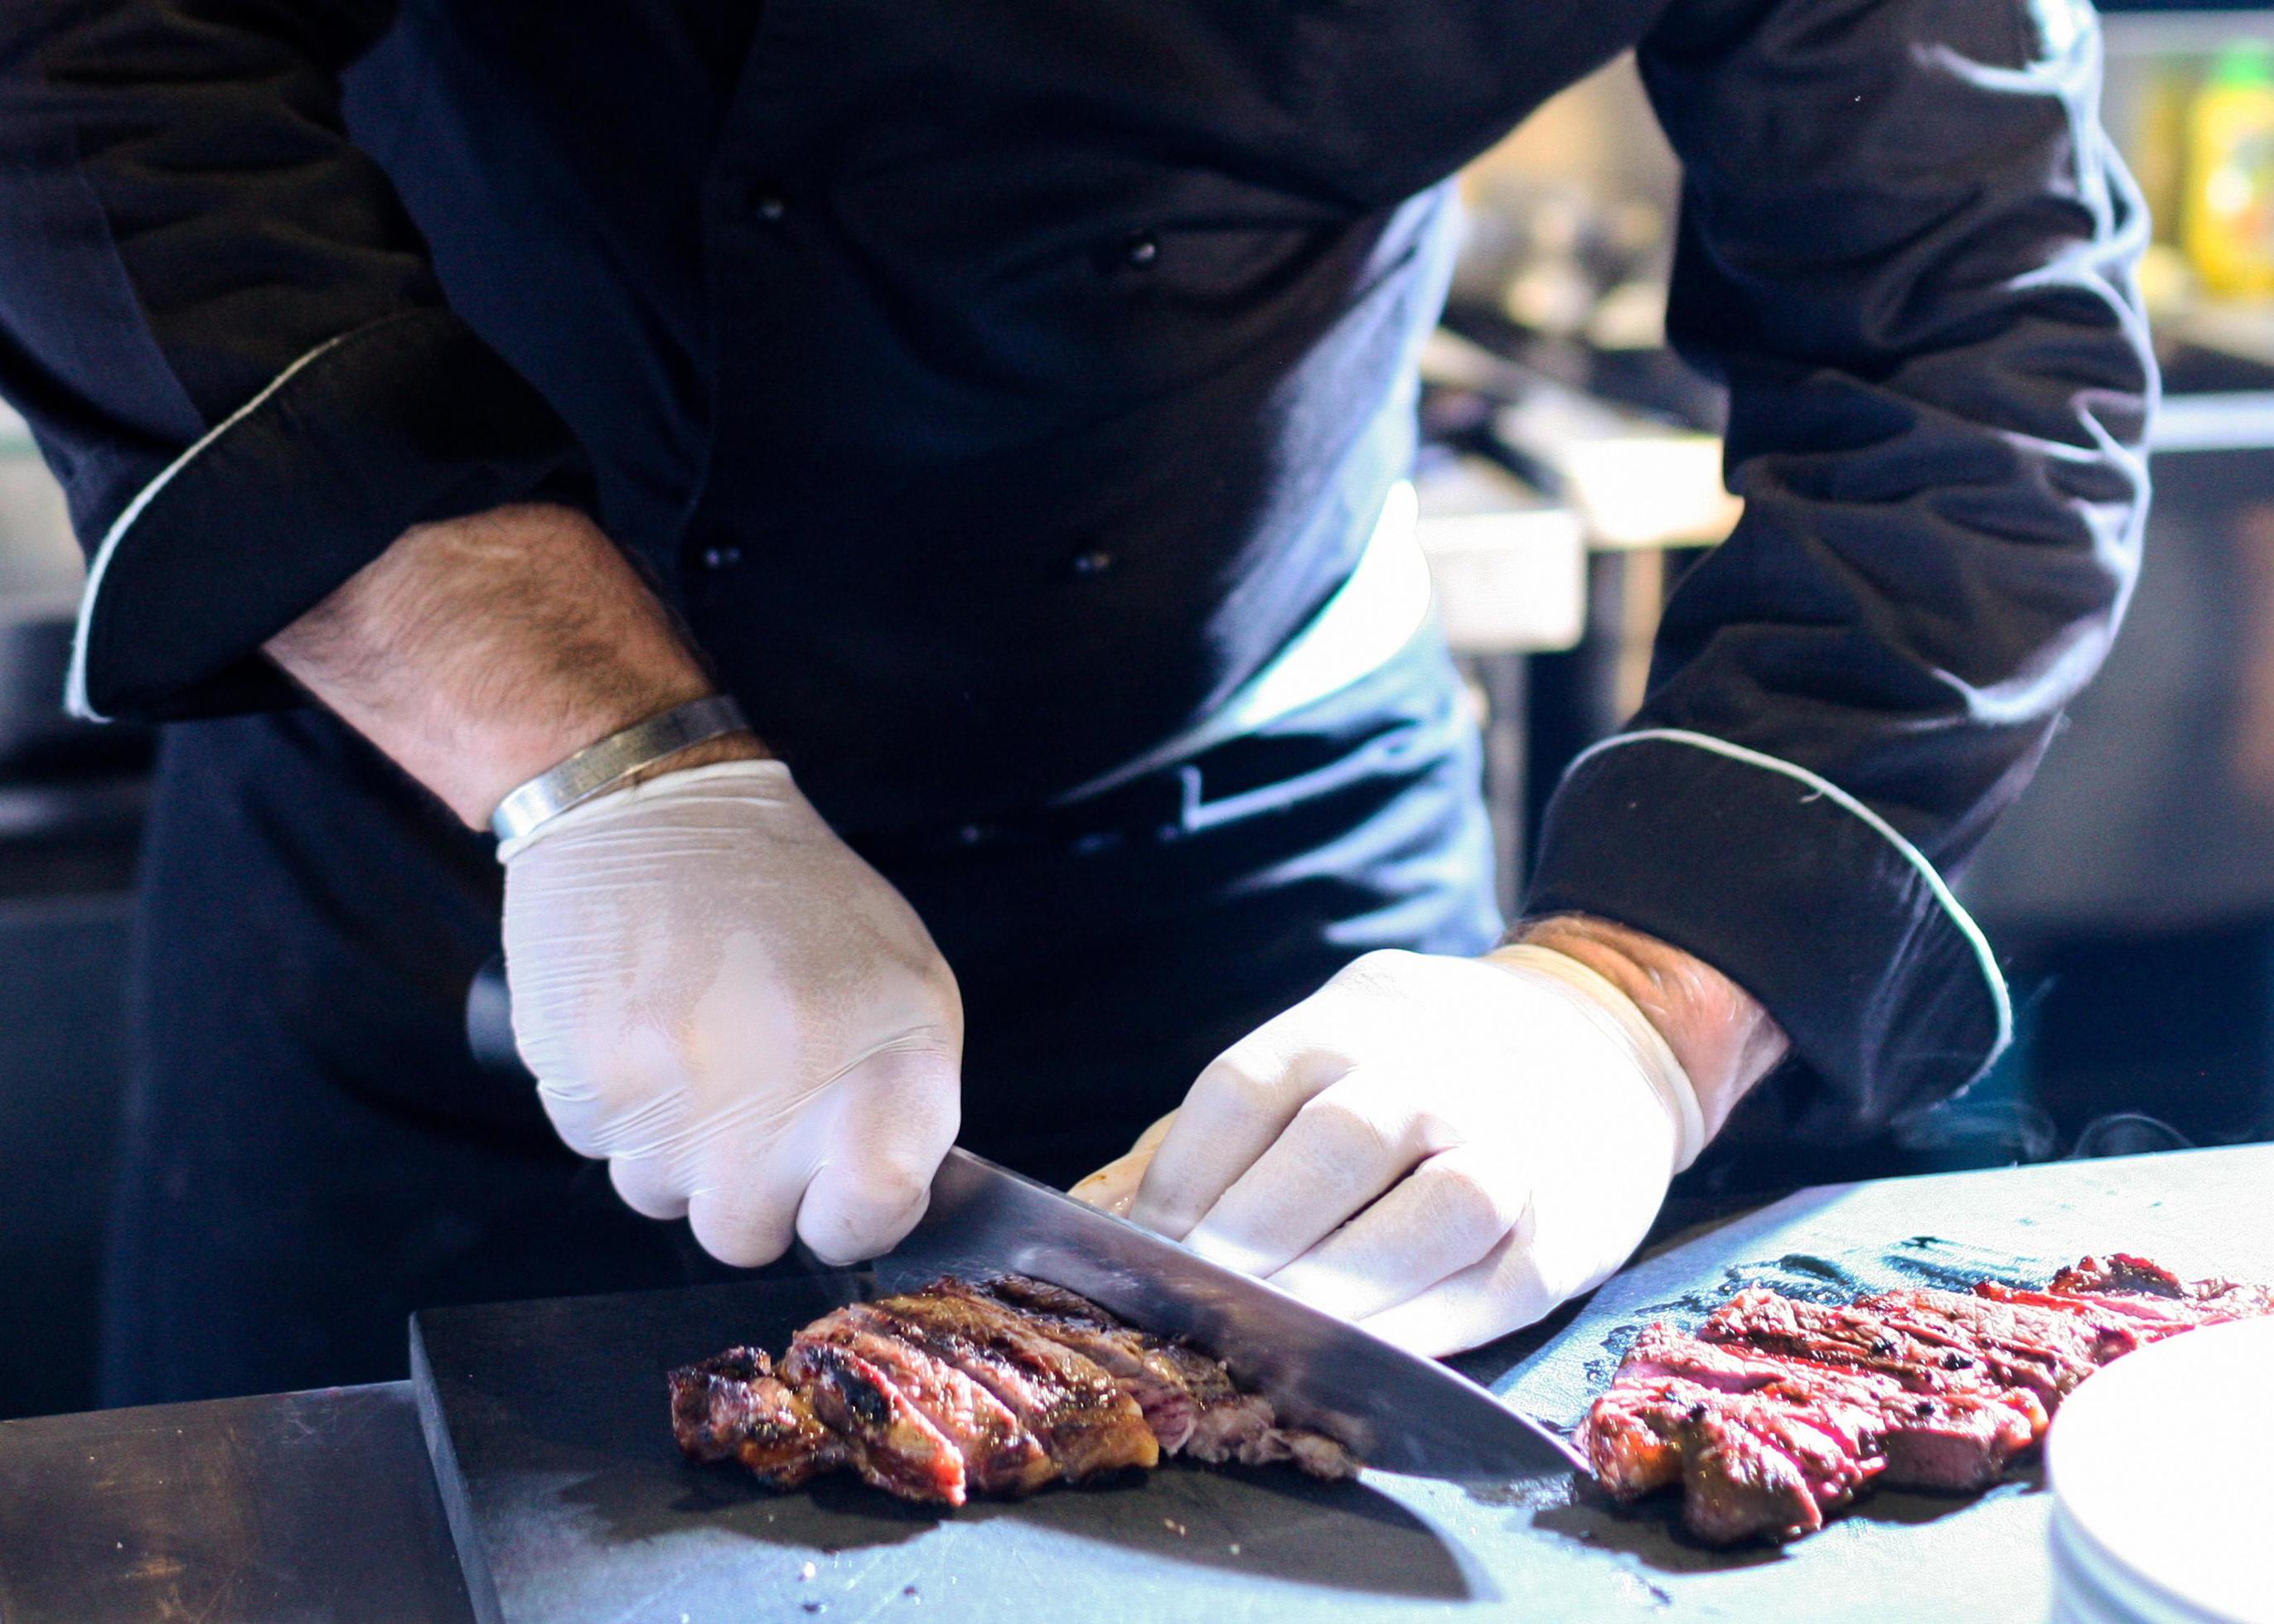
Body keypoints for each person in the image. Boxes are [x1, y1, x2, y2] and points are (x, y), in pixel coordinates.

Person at [0, 0, 2151, 1404]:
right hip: (471, 845)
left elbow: (1978, 326)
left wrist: (1633, 1004)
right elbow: (95, 59)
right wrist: (607, 773)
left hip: (1263, 865)